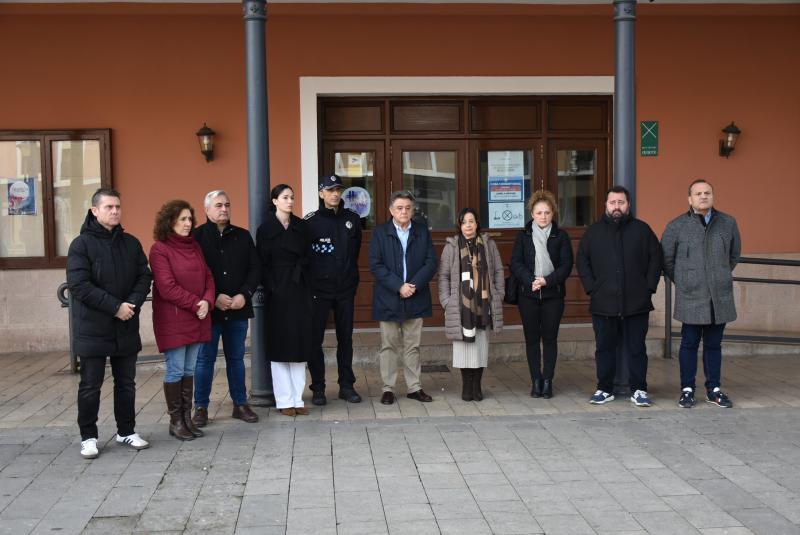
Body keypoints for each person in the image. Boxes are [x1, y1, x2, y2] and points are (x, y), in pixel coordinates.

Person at [67, 188, 152, 459]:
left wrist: (131, 304)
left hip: (125, 325)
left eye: (117, 206)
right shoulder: (81, 245)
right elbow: (79, 286)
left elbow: (144, 276)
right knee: (91, 385)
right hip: (93, 328)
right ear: (94, 211)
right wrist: (114, 307)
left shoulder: (131, 243)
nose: (115, 211)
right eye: (108, 207)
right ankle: (88, 437)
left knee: (126, 383)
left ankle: (126, 431)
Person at [577, 186, 662, 407]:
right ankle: (604, 388)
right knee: (604, 348)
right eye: (613, 202)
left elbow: (656, 258)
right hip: (603, 302)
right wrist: (592, 287)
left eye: (621, 202)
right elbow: (582, 262)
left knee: (637, 348)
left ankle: (639, 390)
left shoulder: (642, 230)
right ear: (606, 205)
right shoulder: (593, 232)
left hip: (637, 302)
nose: (617, 206)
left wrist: (648, 287)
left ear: (628, 205)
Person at [661, 179, 741, 409]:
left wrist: (719, 276)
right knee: (689, 343)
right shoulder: (676, 225)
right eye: (698, 193)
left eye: (707, 193)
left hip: (719, 297)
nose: (703, 196)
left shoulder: (728, 223)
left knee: (714, 344)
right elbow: (666, 259)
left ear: (713, 196)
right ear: (690, 199)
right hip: (691, 296)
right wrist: (685, 280)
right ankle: (687, 389)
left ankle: (713, 389)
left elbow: (734, 255)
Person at [193, 190, 261, 426]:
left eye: (227, 205)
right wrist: (213, 298)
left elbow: (255, 268)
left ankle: (240, 404)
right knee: (205, 360)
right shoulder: (196, 238)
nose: (224, 209)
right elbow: (194, 275)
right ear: (207, 210)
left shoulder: (242, 236)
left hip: (238, 309)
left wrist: (245, 293)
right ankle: (200, 407)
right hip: (209, 312)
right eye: (218, 205)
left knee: (237, 359)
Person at [150, 199, 214, 441]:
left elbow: (208, 276)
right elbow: (166, 287)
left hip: (198, 316)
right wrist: (197, 303)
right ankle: (175, 421)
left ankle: (186, 418)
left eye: (190, 219)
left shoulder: (194, 246)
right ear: (170, 222)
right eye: (182, 219)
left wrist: (207, 300)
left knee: (189, 369)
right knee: (176, 369)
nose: (188, 224)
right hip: (174, 319)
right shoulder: (160, 249)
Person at [369, 191, 437, 405]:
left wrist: (412, 286)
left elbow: (431, 262)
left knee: (412, 346)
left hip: (416, 296)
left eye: (408, 207)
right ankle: (388, 388)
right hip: (388, 297)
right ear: (391, 210)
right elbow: (375, 264)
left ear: (412, 210)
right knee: (388, 346)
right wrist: (399, 286)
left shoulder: (422, 231)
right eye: (399, 208)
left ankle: (414, 387)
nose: (404, 211)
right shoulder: (380, 233)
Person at [305, 174, 363, 406]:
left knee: (345, 339)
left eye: (338, 189)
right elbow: (307, 257)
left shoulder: (353, 219)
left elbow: (355, 252)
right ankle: (318, 387)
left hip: (345, 289)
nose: (335, 194)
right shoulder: (310, 222)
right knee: (314, 340)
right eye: (330, 190)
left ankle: (346, 385)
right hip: (319, 290)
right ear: (321, 194)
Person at [256, 184, 314, 416]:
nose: (290, 201)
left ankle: (297, 399)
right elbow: (261, 262)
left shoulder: (301, 226)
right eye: (285, 197)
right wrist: (272, 286)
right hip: (277, 292)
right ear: (275, 201)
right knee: (280, 345)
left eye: (292, 197)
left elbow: (310, 256)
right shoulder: (265, 229)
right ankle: (284, 400)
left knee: (299, 344)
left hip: (299, 288)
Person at [510, 190, 574, 399]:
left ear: (553, 213)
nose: (543, 217)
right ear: (532, 214)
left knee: (549, 339)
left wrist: (547, 280)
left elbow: (566, 266)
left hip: (552, 295)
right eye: (539, 213)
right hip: (528, 295)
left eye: (547, 212)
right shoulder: (523, 236)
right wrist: (531, 280)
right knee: (531, 339)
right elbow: (516, 263)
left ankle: (547, 381)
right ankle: (535, 380)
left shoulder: (561, 236)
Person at [438, 208, 504, 401]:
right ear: (459, 224)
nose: (468, 225)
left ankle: (477, 386)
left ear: (477, 223)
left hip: (483, 304)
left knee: (481, 348)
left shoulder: (488, 244)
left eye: (472, 221)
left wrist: (498, 294)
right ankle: (467, 387)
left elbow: (499, 271)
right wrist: (446, 300)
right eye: (464, 221)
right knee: (464, 349)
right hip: (461, 306)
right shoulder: (451, 246)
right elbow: (444, 276)